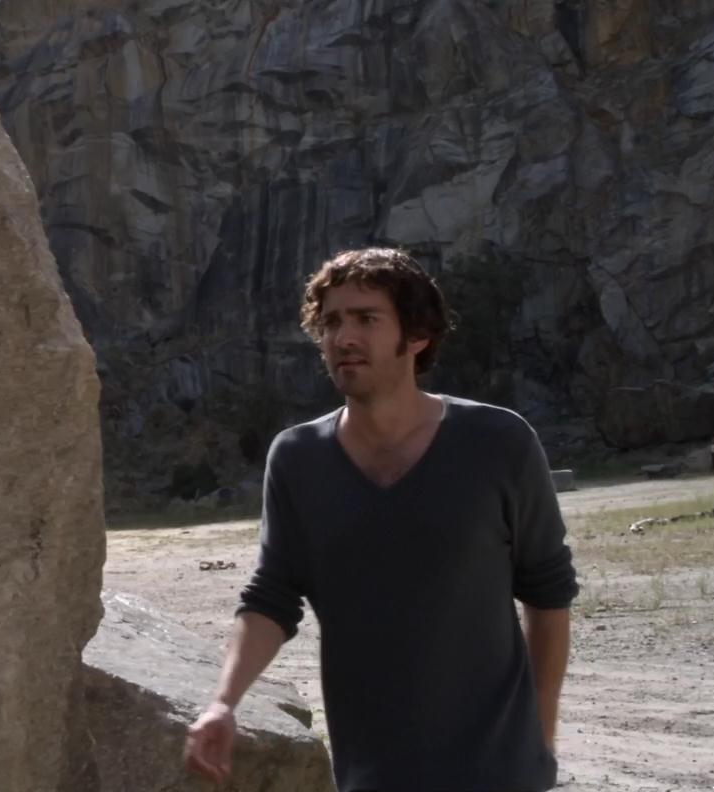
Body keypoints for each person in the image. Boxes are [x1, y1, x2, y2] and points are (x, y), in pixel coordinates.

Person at [182, 248, 578, 791]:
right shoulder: (298, 459)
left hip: (499, 773)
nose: (343, 338)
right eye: (331, 322)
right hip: (372, 773)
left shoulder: (499, 443)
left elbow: (547, 592)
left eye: (366, 319)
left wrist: (540, 739)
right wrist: (224, 703)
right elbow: (271, 597)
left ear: (417, 335)